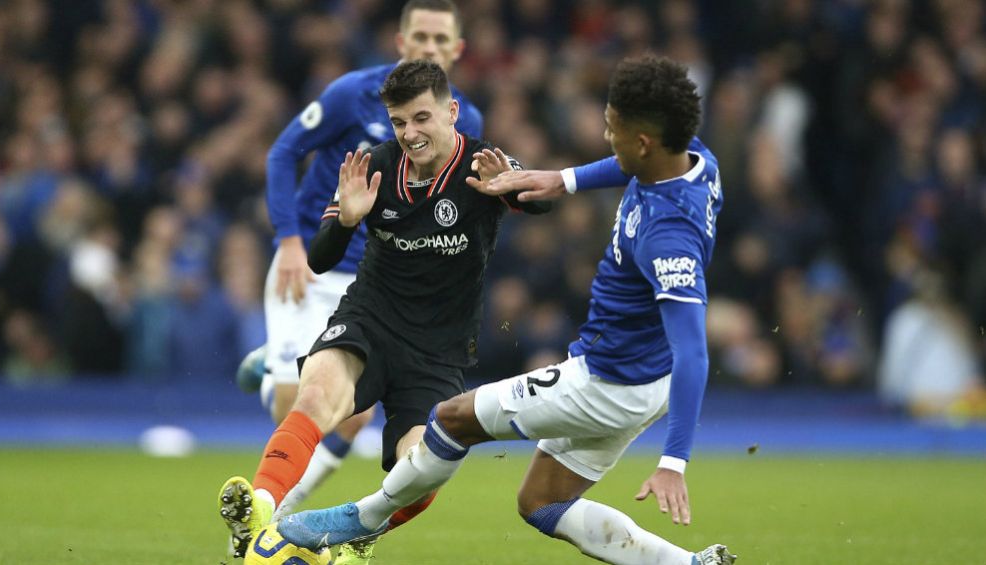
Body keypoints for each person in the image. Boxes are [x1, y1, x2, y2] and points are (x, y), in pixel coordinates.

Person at [276, 54, 737, 565]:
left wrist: (673, 461)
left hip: (609, 380)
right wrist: (564, 180)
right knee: (541, 503)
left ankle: (361, 519)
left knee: (451, 420)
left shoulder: (669, 238)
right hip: (642, 381)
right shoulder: (694, 157)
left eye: (614, 129)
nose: (607, 137)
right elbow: (624, 164)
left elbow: (693, 351)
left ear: (644, 142)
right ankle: (691, 564)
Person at [217, 59, 550, 559]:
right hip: (369, 320)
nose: (410, 134)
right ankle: (262, 509)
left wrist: (515, 185)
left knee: (421, 469)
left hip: (438, 350)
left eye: (421, 118)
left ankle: (361, 532)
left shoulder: (483, 165)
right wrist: (346, 220)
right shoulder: (372, 165)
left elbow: (541, 201)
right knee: (316, 398)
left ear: (452, 111)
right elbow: (321, 258)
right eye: (399, 122)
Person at [232, 0, 483, 549]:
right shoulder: (352, 96)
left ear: (457, 54)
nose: (430, 48)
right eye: (420, 36)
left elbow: (502, 210)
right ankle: (268, 513)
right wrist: (293, 241)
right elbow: (283, 153)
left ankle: (297, 522)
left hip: (414, 318)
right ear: (400, 41)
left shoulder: (476, 141)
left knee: (379, 438)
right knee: (306, 400)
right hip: (321, 271)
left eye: (442, 41)